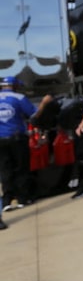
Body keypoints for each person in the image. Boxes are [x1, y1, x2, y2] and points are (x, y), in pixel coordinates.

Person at [0, 77, 43, 220]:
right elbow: (33, 114)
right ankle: (22, 198)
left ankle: (6, 200)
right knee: (21, 168)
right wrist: (45, 103)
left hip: (1, 140)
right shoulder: (19, 97)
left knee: (5, 170)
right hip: (17, 138)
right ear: (15, 86)